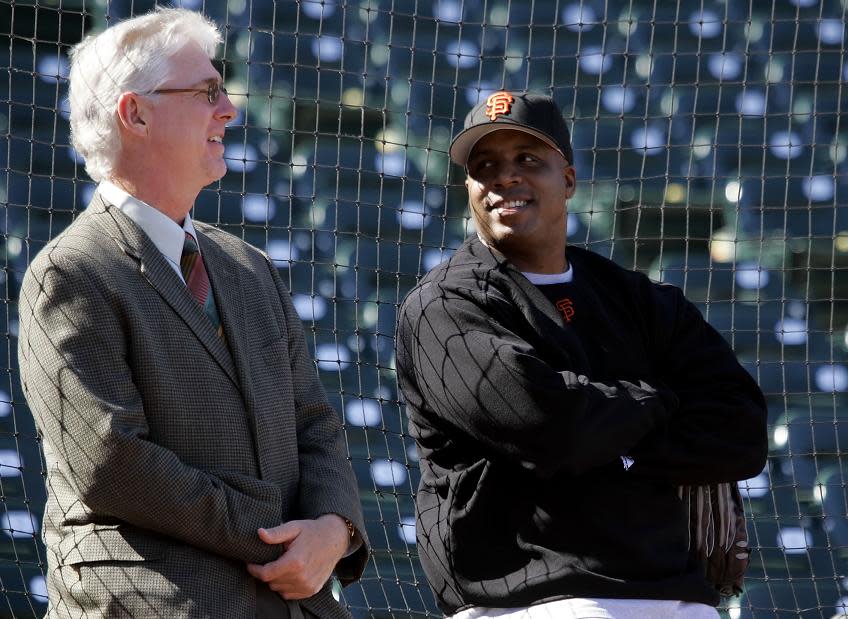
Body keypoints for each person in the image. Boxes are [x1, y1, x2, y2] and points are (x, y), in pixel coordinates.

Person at [17, 8, 368, 619]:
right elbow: (112, 462)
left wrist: (334, 530)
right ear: (136, 113)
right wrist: (282, 528)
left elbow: (315, 422)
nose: (229, 110)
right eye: (207, 92)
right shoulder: (69, 273)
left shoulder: (250, 268)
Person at [395, 91, 768, 619]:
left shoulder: (641, 300)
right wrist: (659, 400)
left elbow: (742, 431)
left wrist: (619, 443)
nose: (505, 177)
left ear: (567, 180)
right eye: (485, 166)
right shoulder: (445, 307)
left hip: (679, 596)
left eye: (528, 160)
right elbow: (550, 427)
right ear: (470, 189)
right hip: (533, 601)